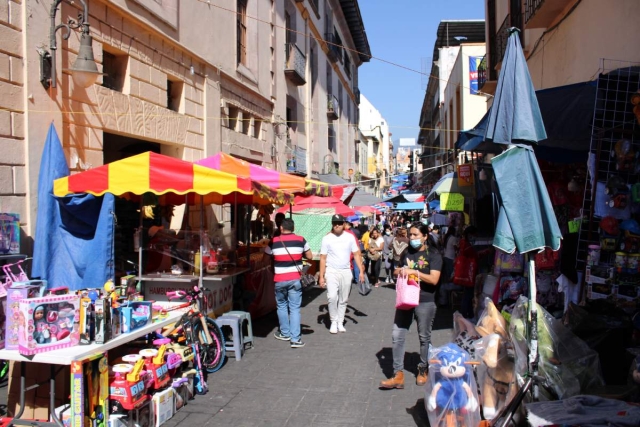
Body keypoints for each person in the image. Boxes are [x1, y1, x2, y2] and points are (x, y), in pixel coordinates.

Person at [380, 223, 442, 389]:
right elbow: (396, 270)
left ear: (425, 236)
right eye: (411, 235)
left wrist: (414, 272)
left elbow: (434, 279)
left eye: (415, 235)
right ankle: (397, 374)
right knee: (397, 334)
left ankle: (423, 368)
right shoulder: (407, 252)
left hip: (425, 300)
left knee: (424, 337)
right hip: (405, 299)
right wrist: (400, 271)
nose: (412, 238)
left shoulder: (434, 255)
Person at [263, 218, 312, 348]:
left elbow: (264, 259)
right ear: (293, 228)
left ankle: (285, 333)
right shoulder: (301, 240)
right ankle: (295, 339)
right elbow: (310, 256)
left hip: (279, 279)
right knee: (295, 308)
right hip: (295, 279)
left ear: (281, 228)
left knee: (282, 306)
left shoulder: (274, 241)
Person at [319, 214, 365, 334]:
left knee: (343, 299)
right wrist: (321, 276)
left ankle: (340, 321)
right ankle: (334, 321)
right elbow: (323, 258)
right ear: (332, 224)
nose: (337, 225)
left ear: (344, 224)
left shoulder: (350, 237)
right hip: (331, 270)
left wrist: (361, 270)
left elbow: (356, 254)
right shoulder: (326, 238)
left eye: (339, 223)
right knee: (332, 297)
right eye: (335, 223)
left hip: (346, 270)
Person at [437, 226, 461, 307]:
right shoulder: (453, 238)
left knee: (447, 277)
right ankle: (446, 298)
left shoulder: (448, 237)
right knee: (449, 276)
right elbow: (456, 248)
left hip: (446, 257)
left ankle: (446, 298)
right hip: (451, 258)